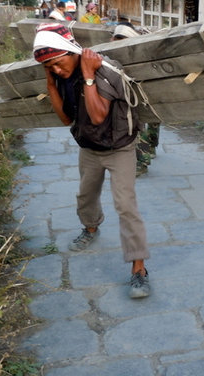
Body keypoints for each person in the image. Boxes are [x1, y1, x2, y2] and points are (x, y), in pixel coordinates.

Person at [32, 21, 151, 298]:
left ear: (72, 52)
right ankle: (90, 227)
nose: (58, 70)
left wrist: (87, 74)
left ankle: (139, 269)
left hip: (119, 147)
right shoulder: (61, 77)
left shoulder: (100, 71)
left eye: (59, 64)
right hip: (89, 148)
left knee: (126, 205)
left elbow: (98, 116)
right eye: (50, 68)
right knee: (86, 195)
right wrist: (51, 83)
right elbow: (65, 119)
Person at [111, 23, 160, 176]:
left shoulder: (139, 49)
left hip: (145, 90)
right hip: (132, 92)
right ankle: (146, 154)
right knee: (142, 124)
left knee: (146, 124)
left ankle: (143, 160)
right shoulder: (114, 48)